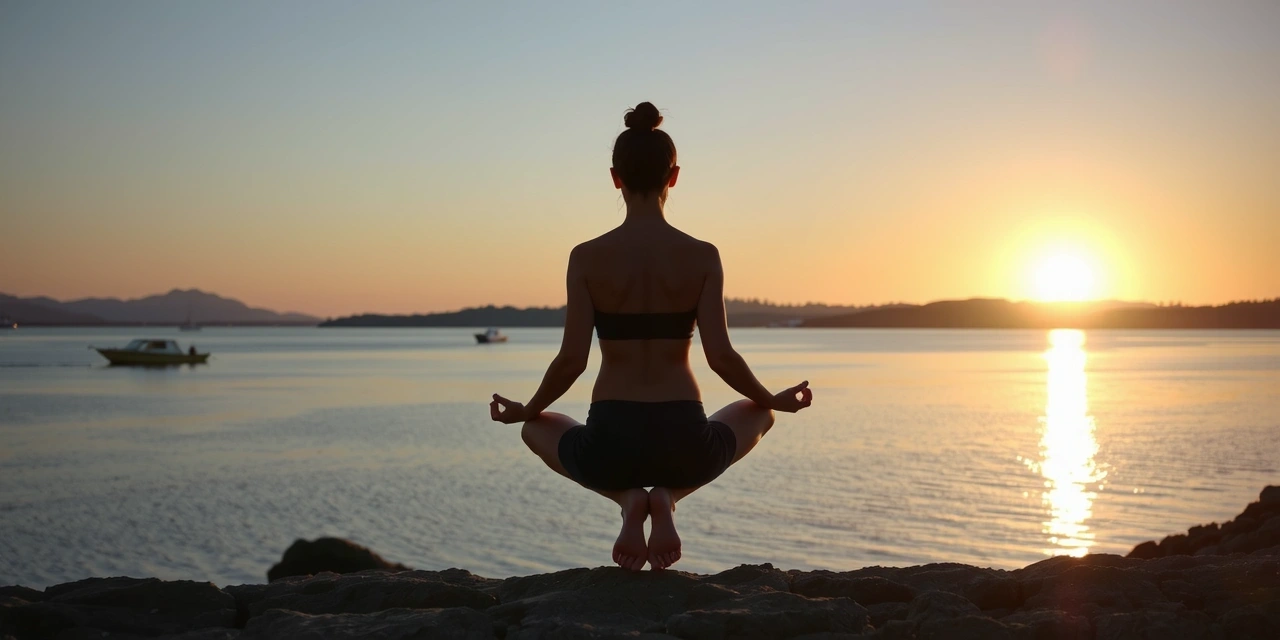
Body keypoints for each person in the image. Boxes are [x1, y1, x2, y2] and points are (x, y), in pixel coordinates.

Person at [489, 102, 813, 572]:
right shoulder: (702, 256)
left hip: (610, 442)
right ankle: (668, 498)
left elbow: (572, 361)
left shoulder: (586, 257)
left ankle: (627, 501)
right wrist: (772, 398)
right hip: (684, 441)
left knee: (535, 427)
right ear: (673, 177)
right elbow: (721, 356)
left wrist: (528, 408)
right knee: (759, 412)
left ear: (615, 178)